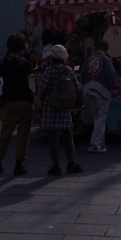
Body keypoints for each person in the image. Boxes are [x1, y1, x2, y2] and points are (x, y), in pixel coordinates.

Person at [36, 44, 84, 176]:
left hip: (50, 106)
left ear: (53, 57)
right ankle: (71, 163)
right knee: (68, 136)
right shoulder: (69, 70)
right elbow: (77, 88)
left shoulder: (49, 70)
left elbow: (42, 88)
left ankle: (56, 165)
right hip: (65, 107)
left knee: (53, 138)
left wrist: (40, 101)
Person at [0, 33, 35, 176]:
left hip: (9, 102)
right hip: (25, 101)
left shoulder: (3, 63)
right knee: (23, 135)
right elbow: (30, 68)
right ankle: (19, 165)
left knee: (5, 134)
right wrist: (26, 53)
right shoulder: (25, 62)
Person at [80, 40, 121, 154]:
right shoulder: (105, 59)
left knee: (96, 117)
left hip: (89, 89)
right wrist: (116, 86)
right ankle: (95, 143)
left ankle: (99, 142)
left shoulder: (89, 59)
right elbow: (111, 75)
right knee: (101, 118)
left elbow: (82, 74)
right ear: (106, 49)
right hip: (101, 90)